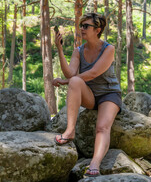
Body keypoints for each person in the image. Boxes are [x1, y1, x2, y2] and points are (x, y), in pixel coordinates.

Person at [52, 13, 122, 177]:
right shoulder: (79, 50)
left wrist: (64, 81)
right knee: (75, 82)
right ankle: (70, 131)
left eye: (86, 26)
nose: (81, 29)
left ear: (97, 30)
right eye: (81, 26)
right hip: (90, 95)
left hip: (108, 94)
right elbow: (71, 74)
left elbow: (93, 73)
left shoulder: (108, 49)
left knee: (102, 127)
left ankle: (94, 164)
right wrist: (60, 49)